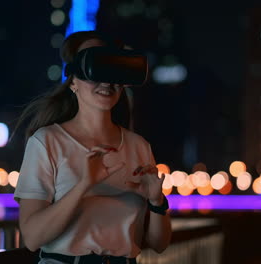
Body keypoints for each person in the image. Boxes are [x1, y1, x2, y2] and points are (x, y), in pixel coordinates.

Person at [13, 30, 172, 264]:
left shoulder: (139, 146)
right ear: (73, 81)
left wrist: (157, 202)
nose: (106, 81)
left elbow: (159, 244)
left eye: (112, 68)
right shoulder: (47, 142)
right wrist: (84, 184)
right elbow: (32, 237)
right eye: (94, 68)